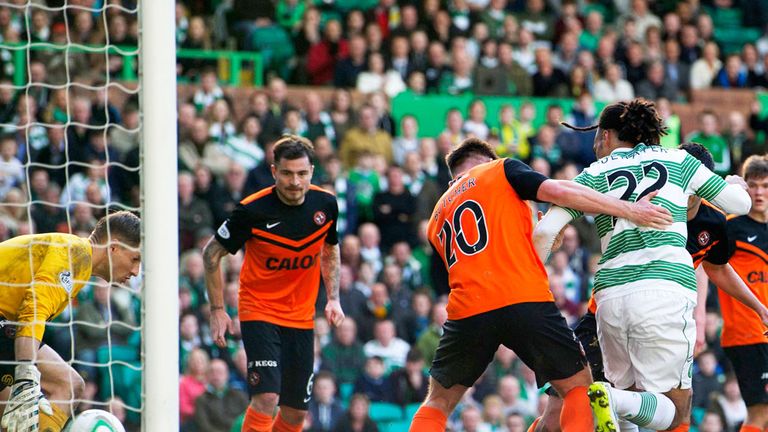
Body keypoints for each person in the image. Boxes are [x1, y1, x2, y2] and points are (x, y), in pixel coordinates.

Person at [409, 136, 675, 432]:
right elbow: (558, 191)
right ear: (488, 161)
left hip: (468, 310)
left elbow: (485, 258)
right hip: (523, 298)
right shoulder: (499, 170)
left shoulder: (436, 217)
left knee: (437, 402)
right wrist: (629, 209)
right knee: (577, 388)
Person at [534, 99, 752, 432]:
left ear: (606, 136)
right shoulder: (679, 160)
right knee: (676, 411)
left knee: (630, 398)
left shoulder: (594, 173)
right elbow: (740, 203)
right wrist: (728, 185)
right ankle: (610, 395)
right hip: (664, 289)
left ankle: (613, 397)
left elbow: (545, 231)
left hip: (609, 297)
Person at [203, 134, 345, 432]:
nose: (295, 182)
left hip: (302, 316)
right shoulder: (252, 210)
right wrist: (217, 309)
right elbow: (211, 254)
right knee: (267, 397)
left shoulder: (326, 204)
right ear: (273, 172)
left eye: (302, 174)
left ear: (312, 172)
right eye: (287, 173)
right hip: (259, 310)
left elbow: (330, 249)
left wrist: (333, 298)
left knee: (295, 413)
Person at [0, 211, 141, 432]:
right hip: (6, 325)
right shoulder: (74, 253)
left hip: (6, 326)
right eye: (135, 259)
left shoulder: (79, 264)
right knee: (65, 385)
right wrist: (26, 375)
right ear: (113, 247)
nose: (135, 271)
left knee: (57, 392)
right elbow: (33, 311)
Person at [717, 154, 768, 432]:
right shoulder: (732, 227)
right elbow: (708, 268)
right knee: (760, 413)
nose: (759, 192)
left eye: (765, 186)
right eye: (753, 185)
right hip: (747, 332)